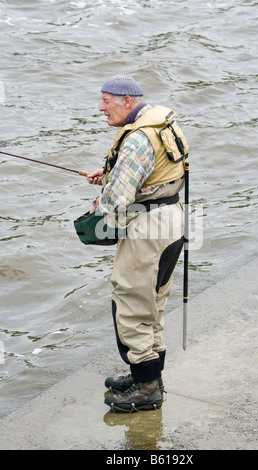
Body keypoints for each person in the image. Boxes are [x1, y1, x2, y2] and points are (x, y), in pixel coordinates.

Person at [87, 75, 188, 413]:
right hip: (171, 218)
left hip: (148, 229)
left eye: (106, 100)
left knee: (131, 301)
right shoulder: (159, 122)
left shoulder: (136, 140)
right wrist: (111, 173)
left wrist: (99, 201)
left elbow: (116, 203)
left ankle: (146, 389)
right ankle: (147, 375)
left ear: (127, 101)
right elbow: (157, 172)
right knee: (153, 301)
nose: (101, 107)